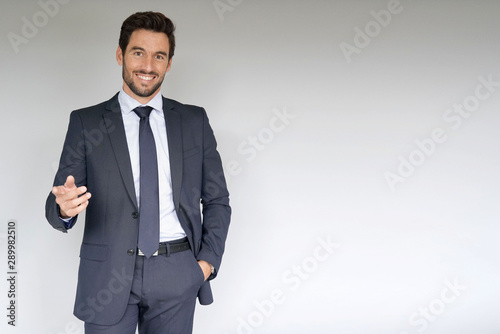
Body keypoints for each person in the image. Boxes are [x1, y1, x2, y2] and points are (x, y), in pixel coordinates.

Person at [45, 11, 231, 334]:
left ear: (169, 63)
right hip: (108, 276)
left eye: (159, 56)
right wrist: (63, 208)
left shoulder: (193, 122)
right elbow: (58, 201)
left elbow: (217, 200)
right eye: (138, 53)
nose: (148, 66)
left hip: (178, 271)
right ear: (120, 55)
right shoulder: (86, 123)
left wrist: (204, 266)